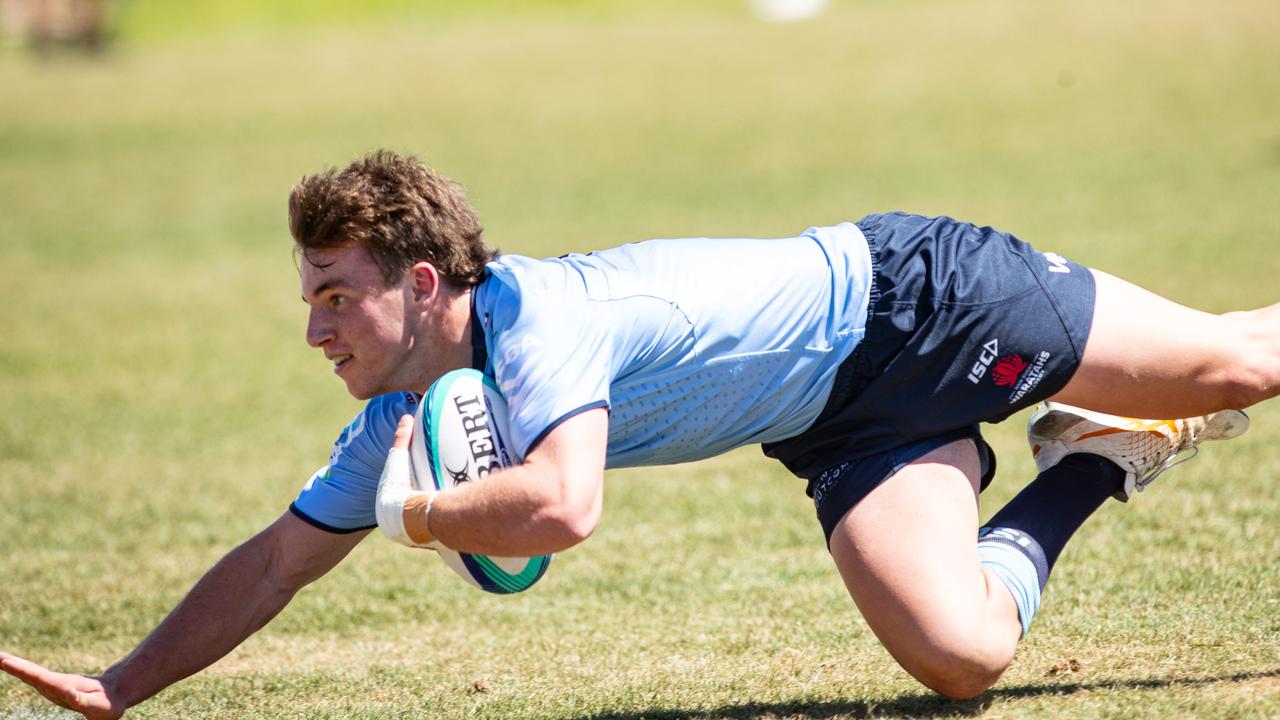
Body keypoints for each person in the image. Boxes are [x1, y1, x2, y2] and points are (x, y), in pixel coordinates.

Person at [1, 150, 1275, 717]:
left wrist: (419, 515)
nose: (317, 326)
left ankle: (1157, 402)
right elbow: (278, 560)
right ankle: (1104, 450)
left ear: (425, 283)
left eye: (339, 293)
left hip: (922, 302)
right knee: (958, 658)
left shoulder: (540, 317)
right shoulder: (409, 410)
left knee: (1233, 364)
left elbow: (561, 511)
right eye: (310, 300)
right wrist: (121, 684)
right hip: (841, 423)